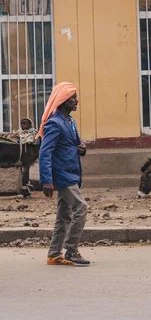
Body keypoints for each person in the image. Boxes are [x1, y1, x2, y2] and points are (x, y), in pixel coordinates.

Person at [38, 82, 90, 266]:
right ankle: (71, 249)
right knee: (81, 208)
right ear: (62, 101)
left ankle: (54, 254)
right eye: (73, 98)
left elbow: (72, 145)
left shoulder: (70, 121)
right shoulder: (54, 123)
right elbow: (45, 152)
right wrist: (46, 180)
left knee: (64, 215)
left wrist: (81, 149)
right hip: (62, 176)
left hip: (72, 173)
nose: (77, 101)